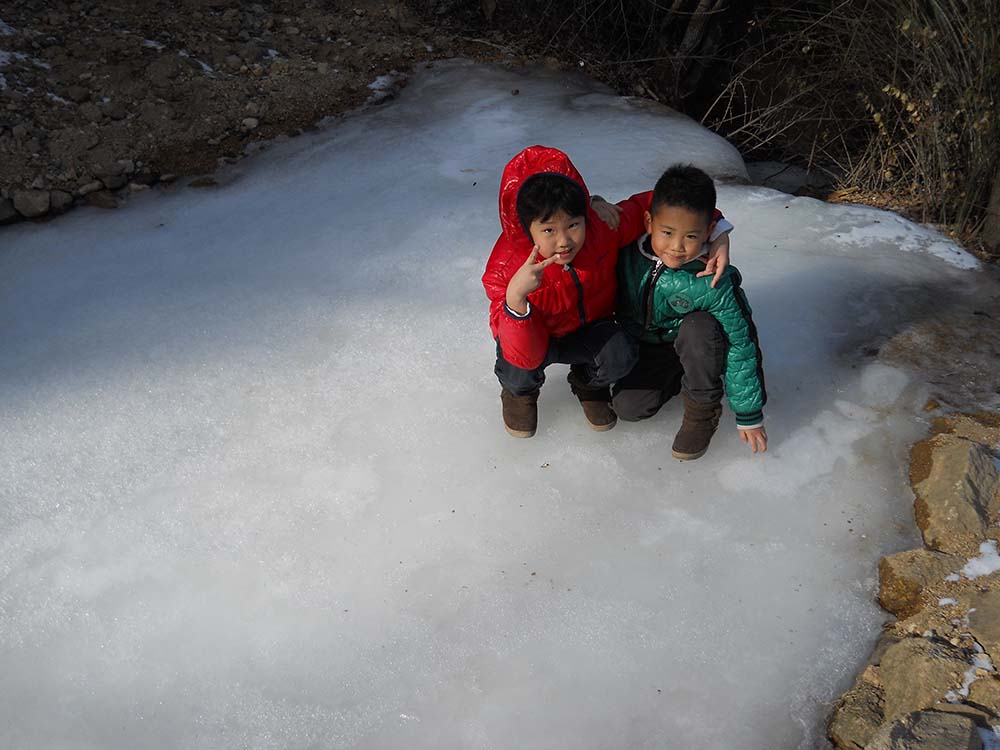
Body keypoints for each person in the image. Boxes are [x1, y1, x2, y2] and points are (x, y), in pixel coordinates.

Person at [481, 145, 731, 438]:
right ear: (527, 229)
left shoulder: (602, 228)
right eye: (548, 230)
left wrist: (717, 229)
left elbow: (665, 207)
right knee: (516, 363)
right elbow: (523, 351)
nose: (564, 241)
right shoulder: (506, 267)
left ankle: (588, 383)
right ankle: (519, 394)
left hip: (587, 329)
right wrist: (516, 299)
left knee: (619, 351)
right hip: (534, 341)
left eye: (573, 225)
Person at [613, 164, 766, 460]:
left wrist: (749, 412)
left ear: (709, 231)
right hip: (649, 346)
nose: (677, 246)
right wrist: (595, 203)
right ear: (648, 222)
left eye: (691, 237)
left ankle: (703, 409)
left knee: (699, 327)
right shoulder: (628, 254)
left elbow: (741, 343)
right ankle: (678, 375)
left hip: (697, 343)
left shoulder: (713, 277)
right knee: (628, 408)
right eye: (667, 232)